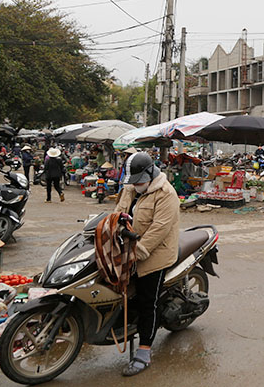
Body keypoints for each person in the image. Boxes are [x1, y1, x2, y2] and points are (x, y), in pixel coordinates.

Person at [114, 152, 180, 376]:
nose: (136, 185)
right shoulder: (132, 186)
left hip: (155, 254)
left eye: (140, 181)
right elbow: (118, 213)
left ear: (151, 174)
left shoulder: (166, 194)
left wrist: (136, 254)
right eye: (133, 182)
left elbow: (158, 231)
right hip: (128, 248)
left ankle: (144, 352)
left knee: (146, 300)